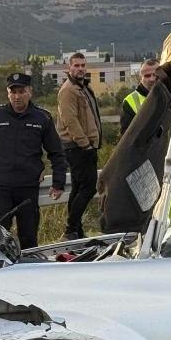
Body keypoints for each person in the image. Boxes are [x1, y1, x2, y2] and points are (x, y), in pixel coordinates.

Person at [0, 72, 66, 248]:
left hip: (27, 189)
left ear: (30, 92)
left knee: (28, 237)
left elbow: (56, 152)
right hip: (0, 187)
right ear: (8, 93)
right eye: (13, 92)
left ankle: (28, 272)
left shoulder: (42, 118)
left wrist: (59, 182)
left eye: (21, 92)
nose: (17, 96)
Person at [120, 59, 171, 218]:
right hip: (149, 171)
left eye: (155, 74)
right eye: (146, 75)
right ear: (140, 78)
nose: (151, 79)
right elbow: (128, 142)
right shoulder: (131, 102)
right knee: (155, 222)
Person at [56, 52, 102, 240]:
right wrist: (86, 145)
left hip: (83, 146)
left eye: (83, 65)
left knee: (77, 188)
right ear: (69, 68)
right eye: (76, 65)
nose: (81, 68)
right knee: (88, 188)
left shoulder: (82, 88)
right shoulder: (69, 90)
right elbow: (70, 120)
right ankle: (70, 229)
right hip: (78, 147)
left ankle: (76, 230)